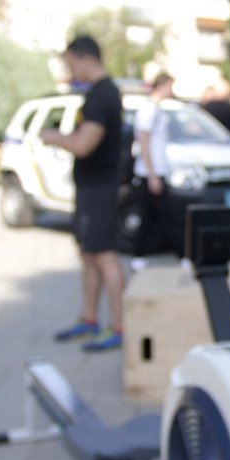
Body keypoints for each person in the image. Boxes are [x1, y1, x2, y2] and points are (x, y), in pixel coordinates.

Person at [43, 36, 126, 352]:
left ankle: (118, 326)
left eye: (71, 64)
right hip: (91, 186)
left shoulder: (102, 95)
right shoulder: (99, 93)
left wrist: (54, 137)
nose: (70, 70)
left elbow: (83, 145)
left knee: (104, 255)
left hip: (99, 188)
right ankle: (90, 318)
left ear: (86, 59)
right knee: (89, 253)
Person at [129, 72, 177, 270]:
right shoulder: (149, 109)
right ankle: (140, 254)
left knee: (155, 215)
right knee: (154, 215)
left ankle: (142, 254)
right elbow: (144, 143)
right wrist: (152, 174)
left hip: (156, 171)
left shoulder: (156, 109)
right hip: (150, 173)